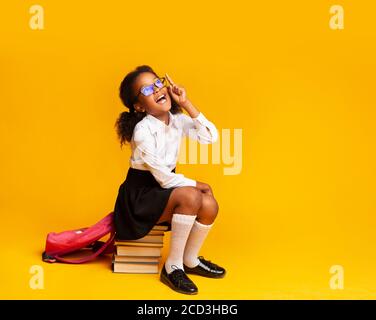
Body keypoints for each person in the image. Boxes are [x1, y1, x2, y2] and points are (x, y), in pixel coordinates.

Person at [114, 65, 226, 295]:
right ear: (138, 106)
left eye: (158, 83)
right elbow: (163, 179)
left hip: (164, 191)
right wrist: (196, 184)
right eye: (147, 90)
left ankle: (190, 260)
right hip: (140, 198)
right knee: (193, 194)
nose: (156, 90)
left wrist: (185, 103)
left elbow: (210, 137)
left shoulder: (177, 120)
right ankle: (172, 267)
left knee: (209, 204)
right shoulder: (143, 131)